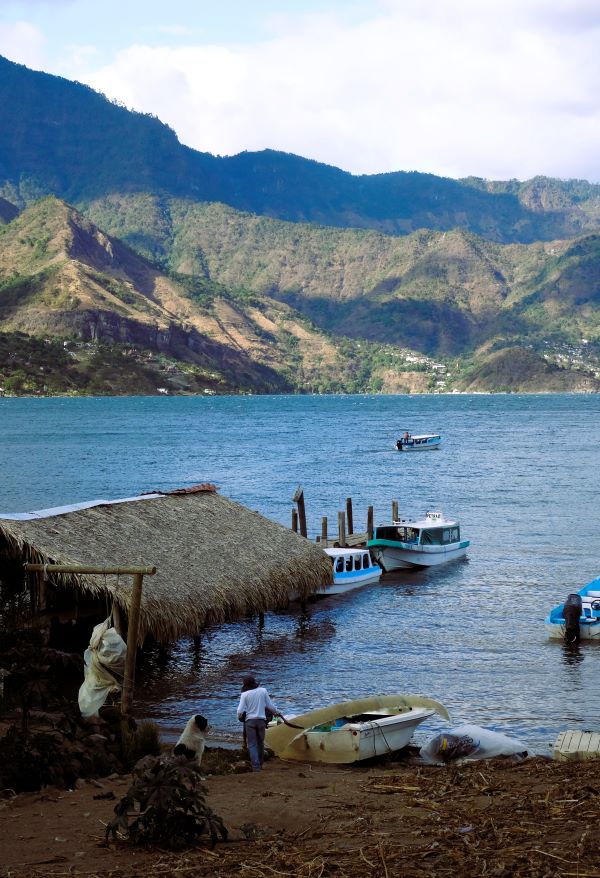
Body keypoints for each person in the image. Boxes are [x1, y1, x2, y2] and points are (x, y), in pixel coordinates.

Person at [237, 675, 283, 771]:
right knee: (260, 743)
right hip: (261, 721)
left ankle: (256, 767)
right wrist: (277, 713)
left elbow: (240, 711)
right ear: (254, 683)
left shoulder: (244, 695)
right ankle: (261, 764)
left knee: (252, 744)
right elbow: (270, 706)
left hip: (250, 722)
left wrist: (240, 717)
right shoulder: (263, 691)